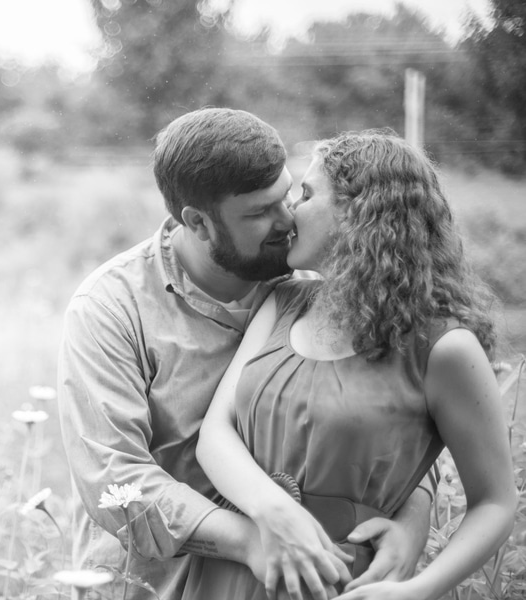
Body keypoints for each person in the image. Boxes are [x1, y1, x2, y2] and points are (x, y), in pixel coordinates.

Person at [57, 109, 436, 600]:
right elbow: (114, 479)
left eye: (289, 196)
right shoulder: (110, 309)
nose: (287, 221)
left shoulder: (314, 287)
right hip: (153, 586)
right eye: (259, 213)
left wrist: (412, 518)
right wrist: (255, 541)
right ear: (197, 223)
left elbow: (397, 411)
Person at [188, 129, 517, 600]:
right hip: (240, 571)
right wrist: (273, 514)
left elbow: (496, 501)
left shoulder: (444, 349)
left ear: (359, 211)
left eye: (305, 194)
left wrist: (419, 590)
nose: (289, 213)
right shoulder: (283, 302)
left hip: (346, 583)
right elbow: (215, 434)